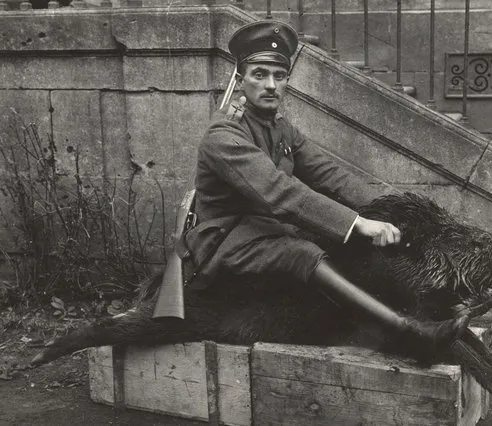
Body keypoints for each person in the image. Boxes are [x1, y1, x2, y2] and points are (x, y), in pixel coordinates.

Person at [181, 20, 467, 346]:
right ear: (240, 78)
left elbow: (330, 175)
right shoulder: (224, 135)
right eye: (259, 74)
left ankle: (432, 305)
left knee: (341, 239)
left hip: (263, 233)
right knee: (303, 253)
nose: (271, 85)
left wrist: (388, 214)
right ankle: (410, 331)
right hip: (225, 244)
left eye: (279, 75)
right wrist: (358, 223)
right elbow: (280, 192)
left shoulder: (280, 128)